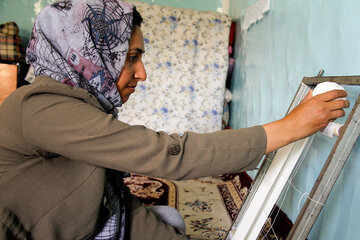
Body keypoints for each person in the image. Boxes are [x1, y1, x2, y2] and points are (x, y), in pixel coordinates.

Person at [0, 0, 349, 239]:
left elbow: (112, 198)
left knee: (170, 220)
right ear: (89, 57)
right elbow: (169, 153)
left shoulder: (82, 104)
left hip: (91, 223)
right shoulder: (39, 107)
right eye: (131, 58)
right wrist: (290, 127)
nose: (143, 73)